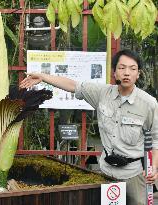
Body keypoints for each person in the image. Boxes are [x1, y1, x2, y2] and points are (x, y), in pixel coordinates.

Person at [20, 49, 158, 205]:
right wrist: (43, 76)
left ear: (138, 74)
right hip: (107, 172)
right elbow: (73, 86)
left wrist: (154, 167)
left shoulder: (149, 104)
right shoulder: (101, 94)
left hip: (134, 174)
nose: (127, 73)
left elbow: (155, 139)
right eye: (122, 68)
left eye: (132, 69)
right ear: (114, 72)